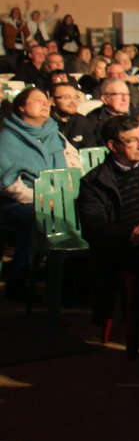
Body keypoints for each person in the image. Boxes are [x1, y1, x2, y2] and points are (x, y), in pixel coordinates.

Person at [0, 89, 77, 295]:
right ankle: (18, 280)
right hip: (18, 200)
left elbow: (73, 160)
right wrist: (41, 199)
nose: (45, 104)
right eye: (37, 100)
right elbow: (8, 184)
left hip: (56, 196)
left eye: (46, 101)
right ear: (21, 107)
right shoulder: (7, 137)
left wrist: (65, 190)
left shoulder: (53, 132)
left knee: (84, 213)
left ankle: (66, 281)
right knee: (34, 219)